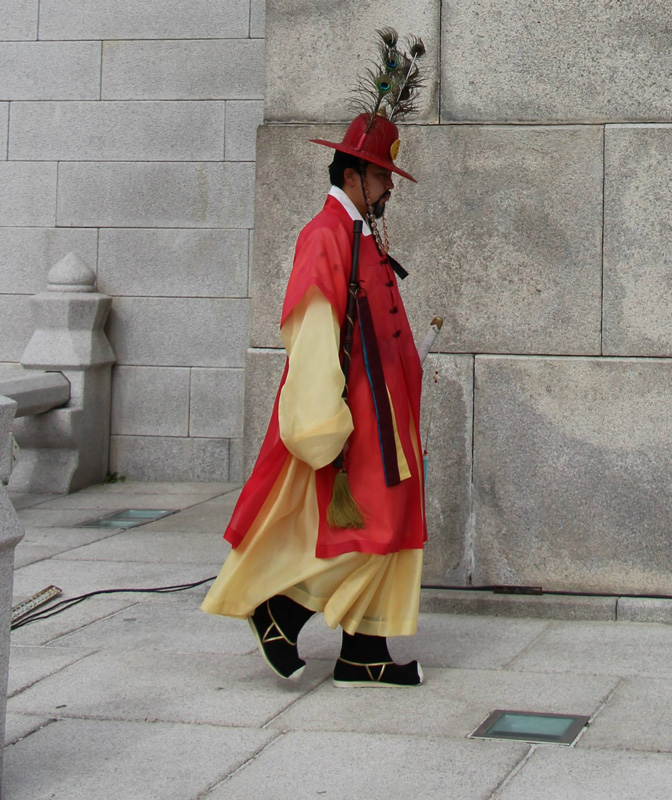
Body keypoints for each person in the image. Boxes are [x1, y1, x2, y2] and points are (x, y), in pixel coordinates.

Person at [202, 31, 427, 687]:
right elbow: (313, 329)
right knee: (376, 525)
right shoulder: (324, 235)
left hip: (386, 418)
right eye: (382, 175)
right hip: (353, 419)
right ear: (353, 174)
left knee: (398, 520)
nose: (389, 187)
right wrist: (319, 418)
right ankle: (281, 607)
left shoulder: (361, 232)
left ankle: (365, 650)